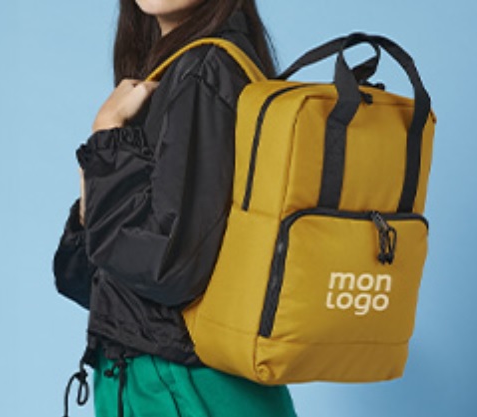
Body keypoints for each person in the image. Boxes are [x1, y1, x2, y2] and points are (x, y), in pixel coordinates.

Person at [52, 0, 297, 416]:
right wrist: (102, 161)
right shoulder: (173, 73)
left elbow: (165, 269)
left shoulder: (205, 70)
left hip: (180, 386)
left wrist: (107, 137)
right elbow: (87, 280)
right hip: (167, 381)